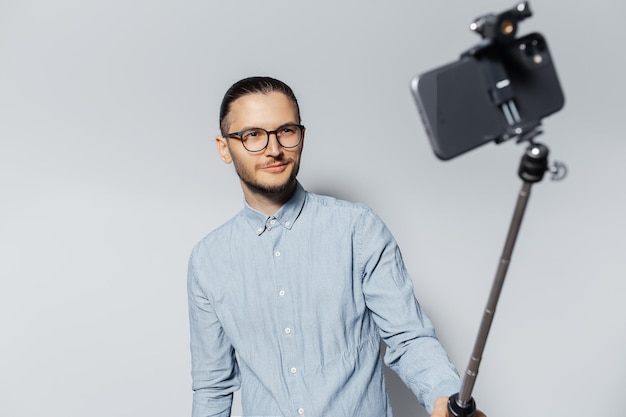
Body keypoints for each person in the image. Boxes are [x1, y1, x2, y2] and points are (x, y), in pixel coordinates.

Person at [187, 76, 486, 417]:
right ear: (224, 147)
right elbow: (213, 387)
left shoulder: (358, 229)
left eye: (286, 130)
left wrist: (444, 395)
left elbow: (409, 338)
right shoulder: (207, 261)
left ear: (301, 136)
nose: (274, 149)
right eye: (253, 135)